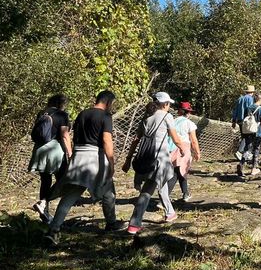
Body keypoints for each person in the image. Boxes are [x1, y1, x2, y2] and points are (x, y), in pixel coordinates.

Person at [45, 91, 121, 245]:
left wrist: (73, 155)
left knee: (70, 195)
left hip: (79, 156)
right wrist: (111, 163)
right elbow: (107, 140)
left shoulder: (82, 114)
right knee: (108, 192)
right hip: (95, 157)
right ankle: (111, 223)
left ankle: (54, 229)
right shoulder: (105, 116)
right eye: (112, 103)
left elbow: (74, 136)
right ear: (108, 102)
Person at [122, 92, 186, 235]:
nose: (169, 106)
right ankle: (134, 224)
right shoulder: (166, 116)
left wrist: (128, 160)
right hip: (159, 159)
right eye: (168, 104)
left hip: (146, 157)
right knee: (147, 191)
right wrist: (183, 149)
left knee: (161, 183)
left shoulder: (146, 118)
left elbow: (135, 139)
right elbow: (175, 138)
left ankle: (170, 212)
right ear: (165, 104)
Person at [28, 94, 72, 223]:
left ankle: (45, 214)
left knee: (45, 181)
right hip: (54, 150)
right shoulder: (62, 115)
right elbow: (64, 135)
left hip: (40, 150)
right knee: (63, 180)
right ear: (61, 104)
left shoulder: (42, 113)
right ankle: (46, 205)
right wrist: (70, 153)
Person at [167, 102, 201, 202]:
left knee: (181, 170)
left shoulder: (172, 122)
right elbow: (193, 140)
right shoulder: (189, 124)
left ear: (179, 111)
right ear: (188, 113)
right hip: (183, 148)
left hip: (171, 148)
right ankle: (164, 198)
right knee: (177, 172)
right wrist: (197, 152)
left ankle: (186, 193)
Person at [237, 93, 261, 177]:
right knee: (256, 149)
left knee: (247, 149)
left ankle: (241, 163)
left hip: (248, 131)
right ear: (260, 99)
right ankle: (254, 168)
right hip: (257, 132)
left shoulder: (249, 108)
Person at [231, 85, 256, 161]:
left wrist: (234, 121)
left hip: (239, 120)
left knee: (243, 136)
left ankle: (245, 153)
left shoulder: (240, 99)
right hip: (247, 120)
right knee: (248, 137)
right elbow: (250, 109)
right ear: (252, 92)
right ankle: (241, 151)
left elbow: (235, 110)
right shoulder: (250, 99)